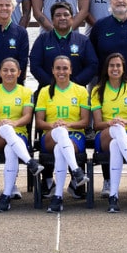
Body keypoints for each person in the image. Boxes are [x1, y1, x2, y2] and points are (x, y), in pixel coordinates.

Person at [90, 53, 127, 211]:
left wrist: (124, 122)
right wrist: (110, 123)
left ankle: (113, 197)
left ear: (123, 69)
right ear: (106, 69)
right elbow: (97, 124)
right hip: (104, 134)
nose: (115, 69)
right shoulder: (97, 90)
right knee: (116, 130)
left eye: (118, 65)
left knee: (116, 144)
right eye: (112, 66)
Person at [0, 57, 43, 211]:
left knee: (11, 148)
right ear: (0, 73)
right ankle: (30, 162)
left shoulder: (25, 92)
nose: (9, 73)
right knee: (5, 129)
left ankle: (6, 196)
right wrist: (0, 124)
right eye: (5, 70)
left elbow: (27, 117)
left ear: (19, 73)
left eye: (12, 70)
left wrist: (13, 123)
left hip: (18, 136)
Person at [34, 55, 90, 213]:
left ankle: (57, 197)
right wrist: (54, 125)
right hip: (50, 136)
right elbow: (39, 122)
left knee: (61, 149)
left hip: (75, 136)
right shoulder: (45, 92)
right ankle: (76, 171)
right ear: (52, 70)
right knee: (59, 132)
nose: (61, 71)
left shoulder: (80, 91)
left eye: (65, 68)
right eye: (58, 68)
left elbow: (85, 122)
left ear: (71, 70)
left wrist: (67, 124)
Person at [30, 1, 99, 89]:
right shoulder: (42, 40)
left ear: (72, 18)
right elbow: (35, 66)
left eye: (66, 15)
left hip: (76, 92)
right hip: (48, 91)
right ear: (52, 19)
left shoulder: (83, 40)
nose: (62, 18)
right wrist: (52, 84)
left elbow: (92, 65)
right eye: (58, 15)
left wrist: (74, 84)